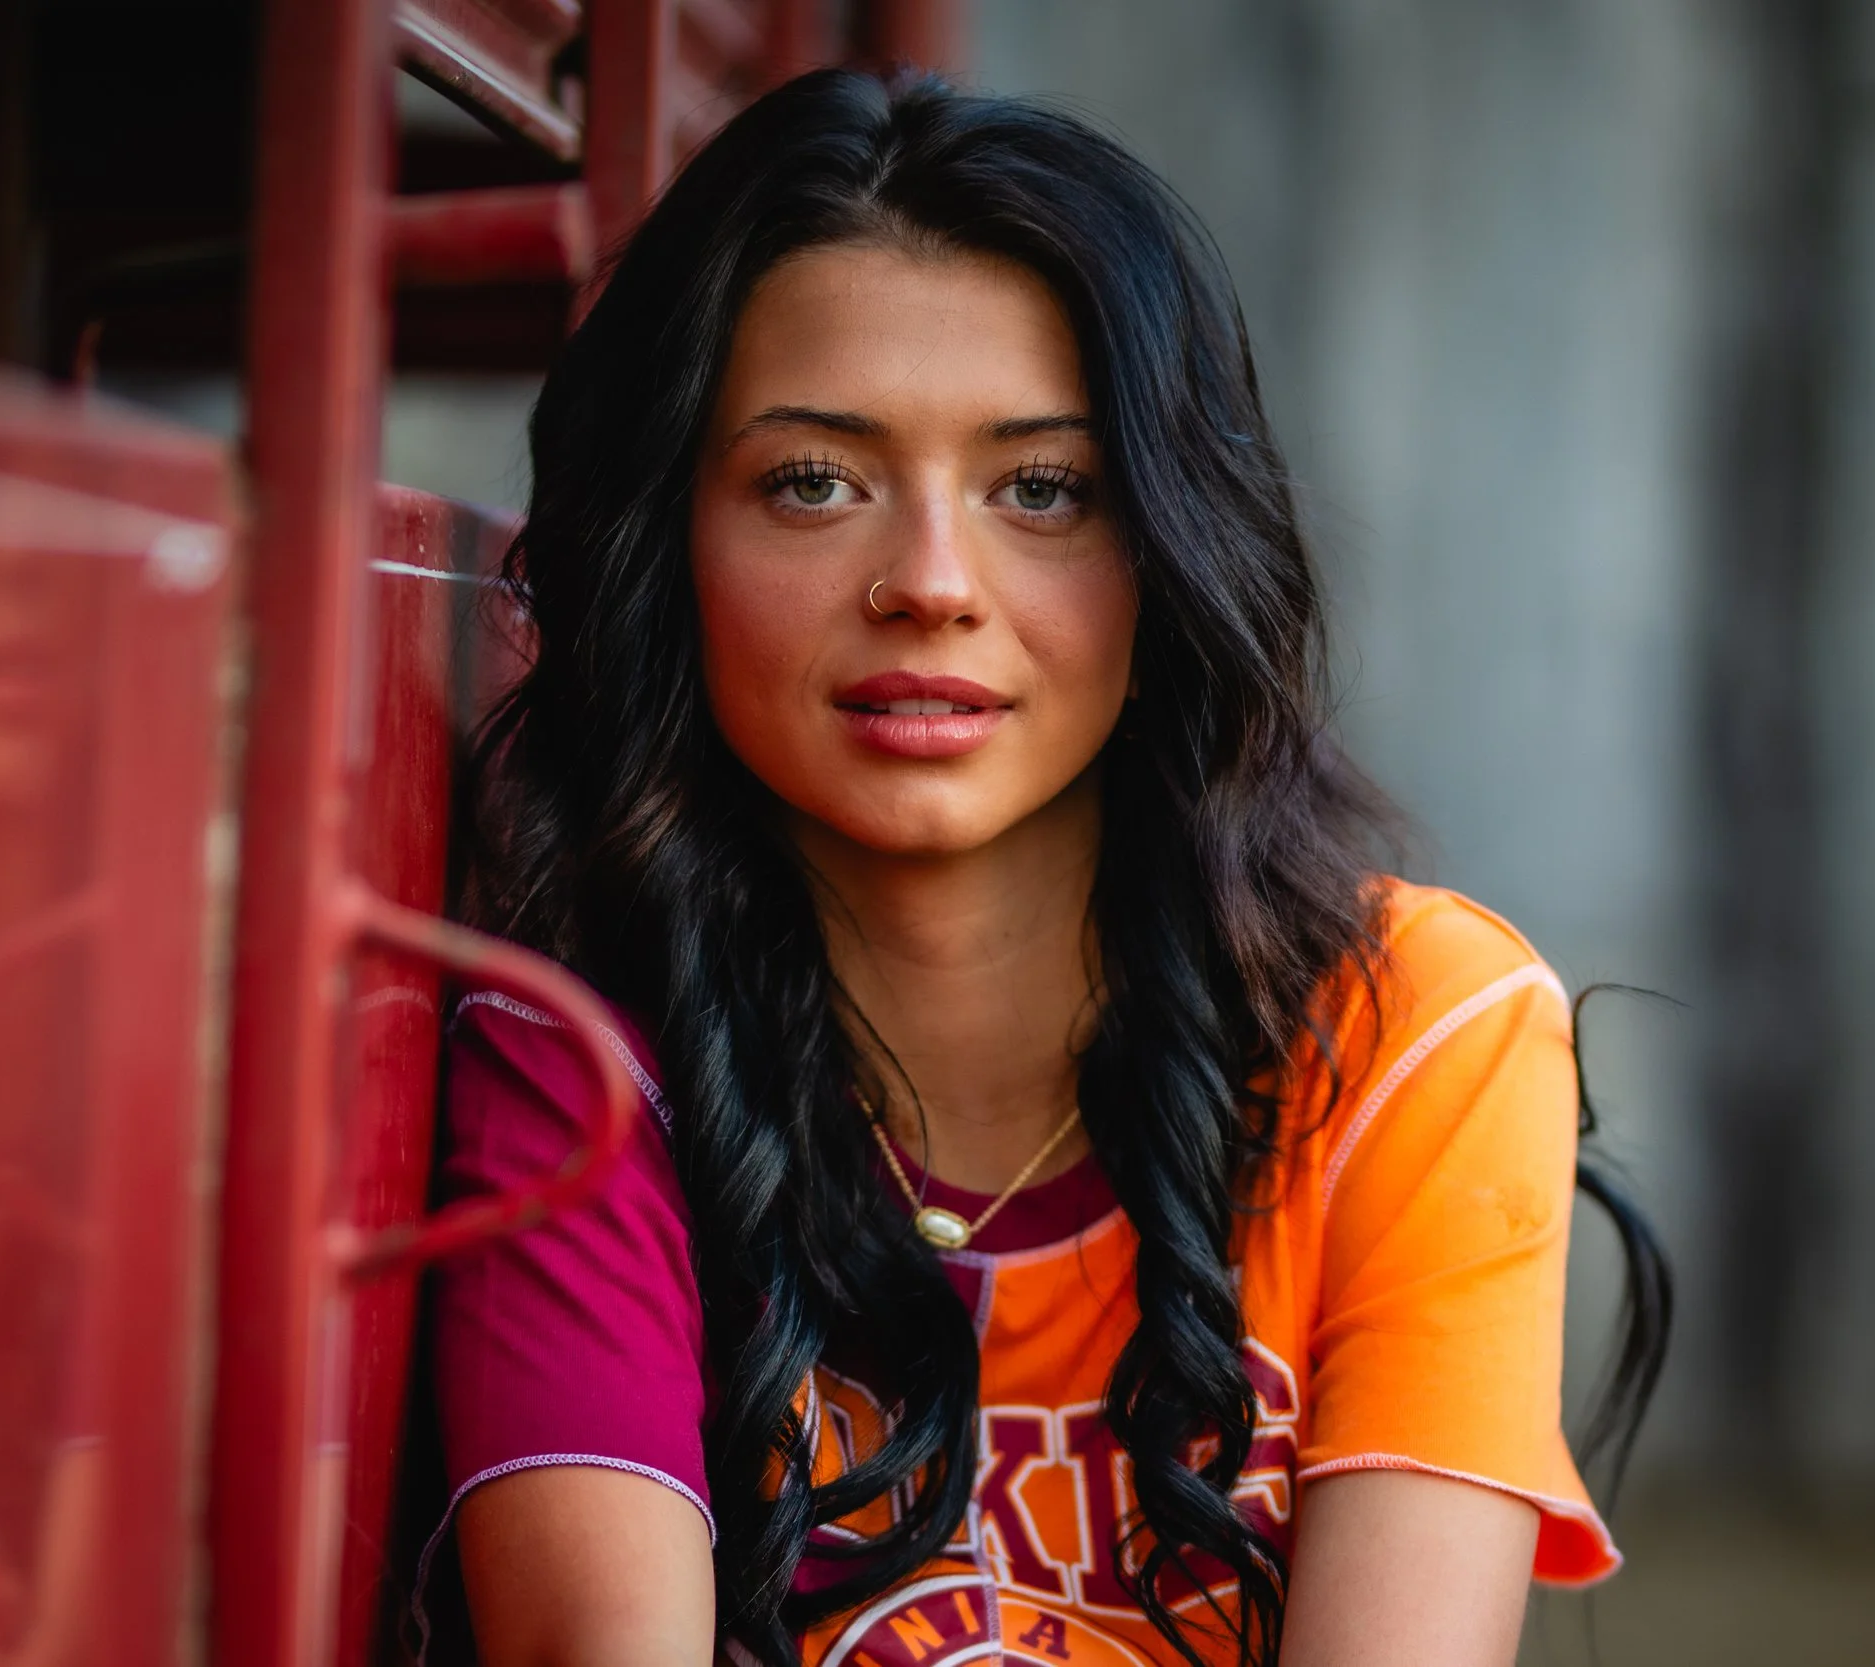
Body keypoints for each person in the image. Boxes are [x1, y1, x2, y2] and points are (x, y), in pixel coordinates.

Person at [422, 68, 1669, 1667]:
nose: (933, 583)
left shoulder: (1414, 1036)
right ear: (670, 544)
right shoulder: (584, 1069)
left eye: (1044, 489)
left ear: (1168, 546)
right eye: (814, 481)